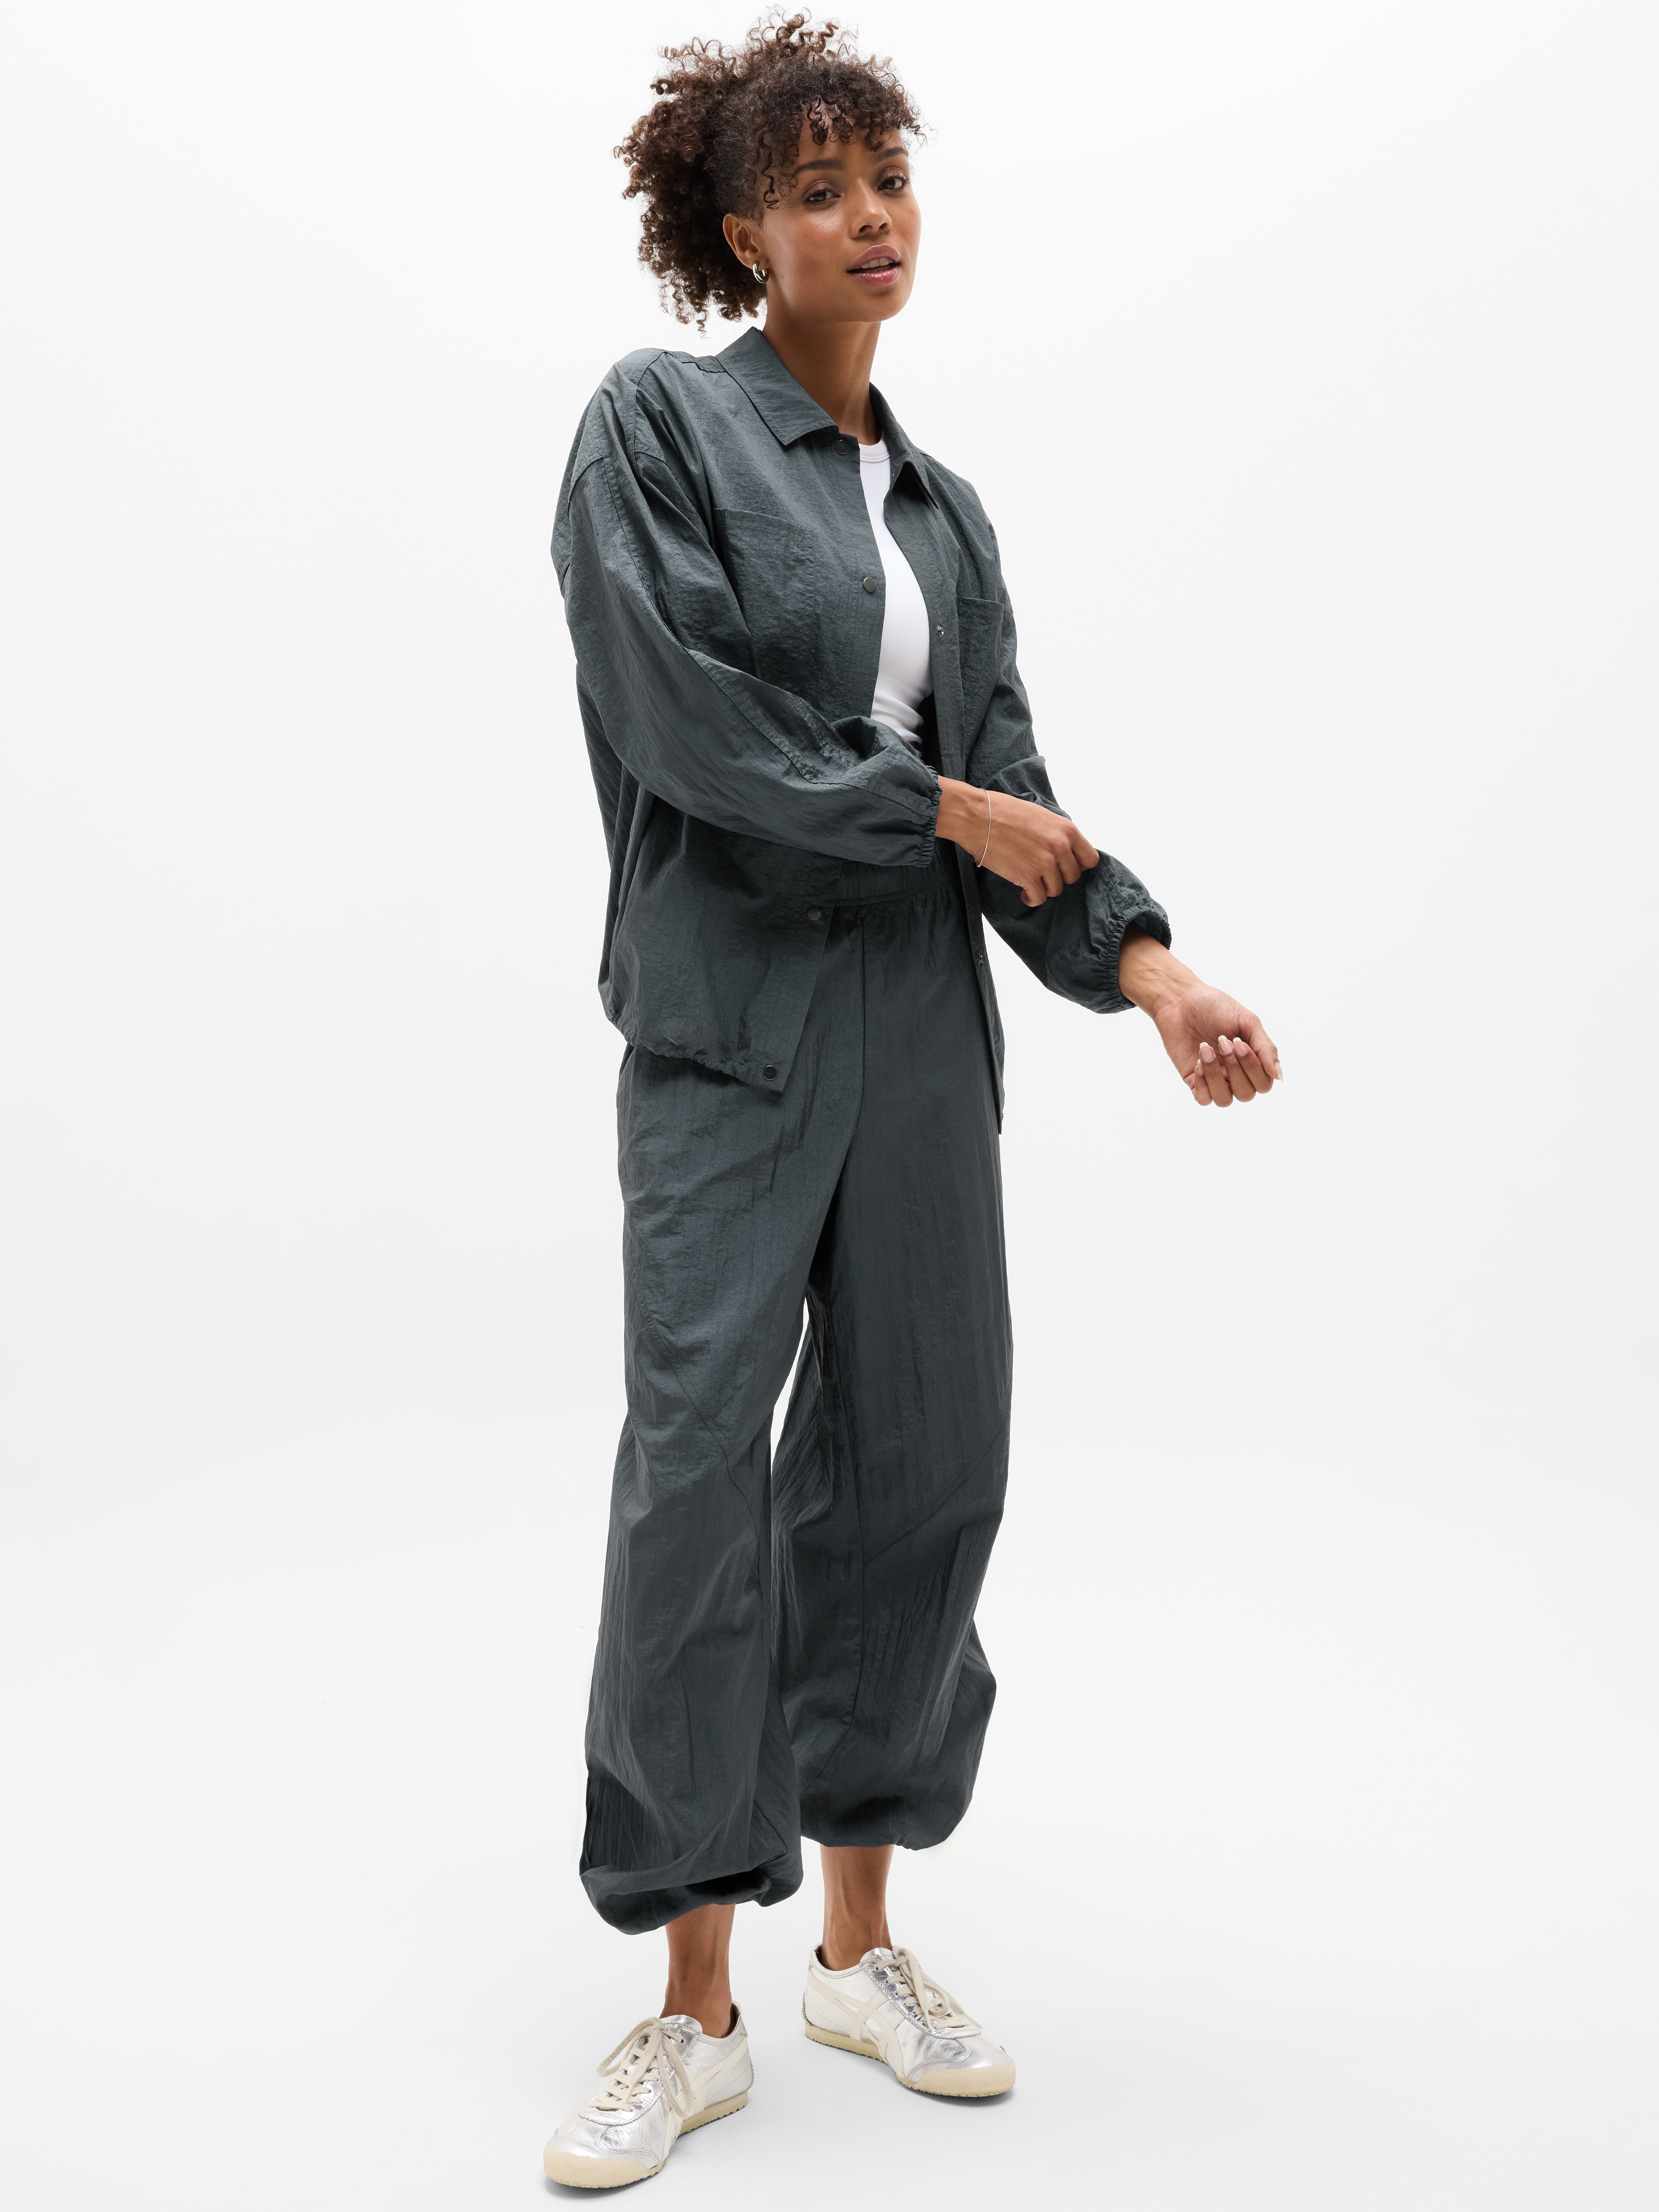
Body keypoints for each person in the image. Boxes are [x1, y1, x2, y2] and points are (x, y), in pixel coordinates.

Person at [544, 14, 1282, 2187]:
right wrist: (936, 806)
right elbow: (689, 722)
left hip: (918, 1043)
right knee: (699, 1475)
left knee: (921, 1461)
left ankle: (857, 1952)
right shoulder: (657, 428)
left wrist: (1151, 965)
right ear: (741, 232)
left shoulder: (943, 515)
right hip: (730, 1031)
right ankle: (692, 1998)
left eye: (891, 177)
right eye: (822, 188)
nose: (873, 215)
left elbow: (1017, 792)